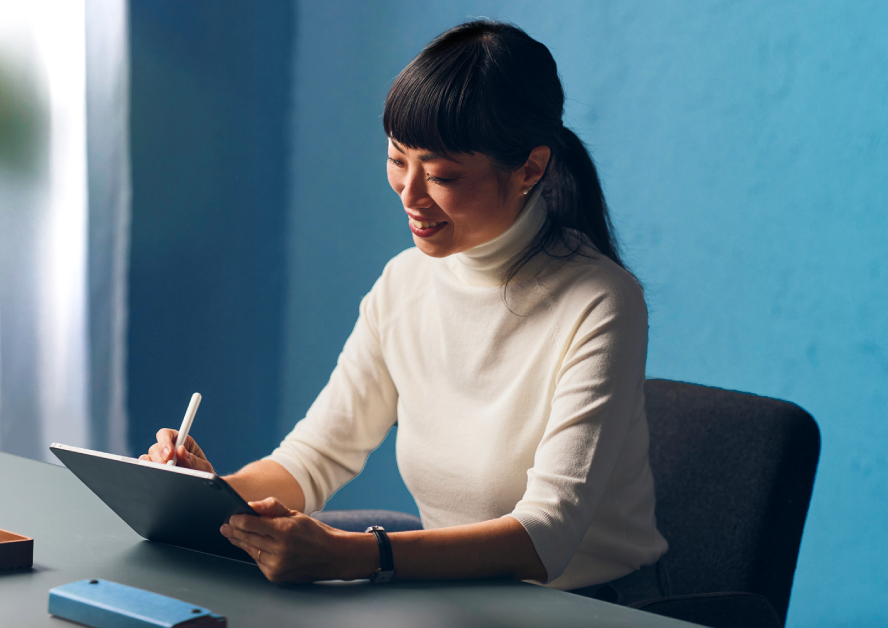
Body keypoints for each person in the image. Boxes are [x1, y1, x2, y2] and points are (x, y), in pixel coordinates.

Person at [141, 19, 669, 607]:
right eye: (398, 160)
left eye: (442, 175)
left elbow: (546, 538)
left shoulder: (600, 302)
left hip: (590, 606)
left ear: (530, 169)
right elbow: (314, 459)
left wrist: (359, 554)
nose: (409, 194)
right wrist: (202, 500)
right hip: (451, 598)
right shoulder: (405, 282)